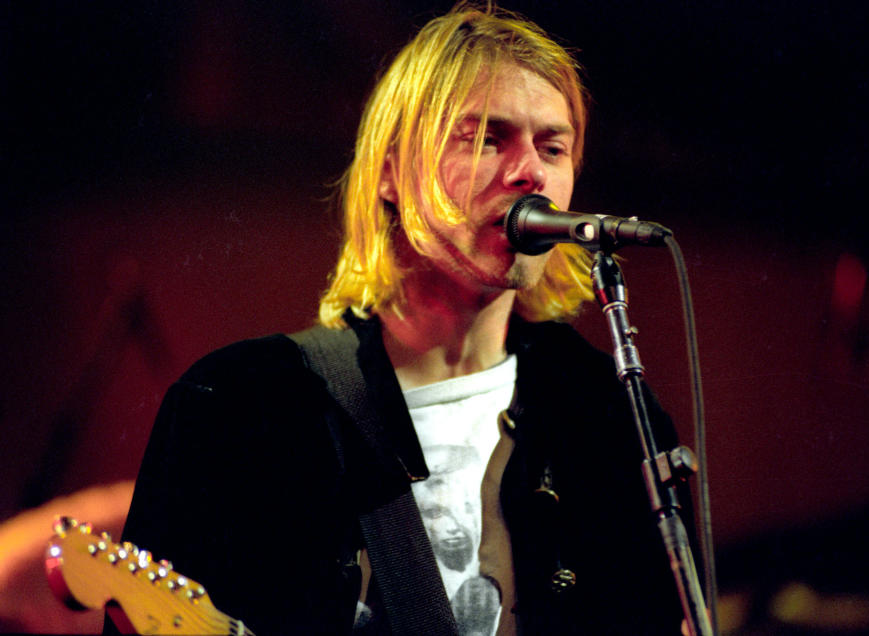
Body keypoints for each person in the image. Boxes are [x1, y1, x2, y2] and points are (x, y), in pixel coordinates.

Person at [114, 4, 691, 634]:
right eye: (485, 138)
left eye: (553, 147)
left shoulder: (605, 416)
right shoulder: (242, 406)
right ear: (391, 171)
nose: (530, 171)